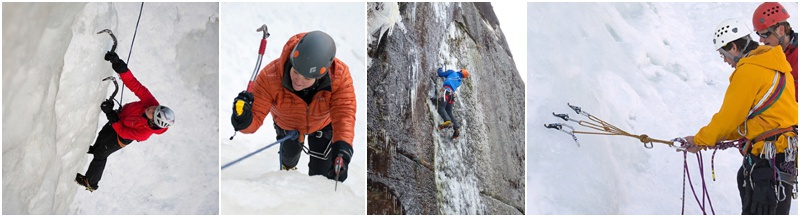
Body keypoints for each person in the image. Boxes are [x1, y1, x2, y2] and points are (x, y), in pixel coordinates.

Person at [681, 18, 797, 215]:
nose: (726, 61)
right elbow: (762, 118)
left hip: (766, 155)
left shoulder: (749, 70)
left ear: (734, 47)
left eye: (723, 55)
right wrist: (714, 138)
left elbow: (728, 118)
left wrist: (701, 139)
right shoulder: (777, 64)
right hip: (784, 153)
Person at [231, 31, 356, 182]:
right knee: (289, 158)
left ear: (321, 76)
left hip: (322, 125)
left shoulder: (339, 77)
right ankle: (288, 170)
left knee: (322, 176)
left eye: (307, 77)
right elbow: (254, 119)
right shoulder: (270, 77)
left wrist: (343, 149)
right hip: (287, 124)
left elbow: (344, 114)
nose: (298, 80)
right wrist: (243, 119)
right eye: (295, 71)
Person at [75, 51, 175, 192]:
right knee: (103, 134)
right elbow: (136, 86)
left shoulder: (144, 134)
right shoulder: (151, 104)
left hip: (121, 136)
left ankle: (90, 183)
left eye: (154, 111)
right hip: (120, 117)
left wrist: (110, 114)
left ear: (154, 121)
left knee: (101, 155)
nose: (152, 107)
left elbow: (122, 131)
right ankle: (94, 148)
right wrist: (120, 66)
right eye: (156, 107)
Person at [752, 2, 797, 100]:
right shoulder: (768, 56)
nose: (761, 40)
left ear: (781, 30)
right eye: (759, 35)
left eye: (764, 35)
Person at [432, 68, 469, 140]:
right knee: (449, 112)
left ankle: (447, 121)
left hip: (446, 91)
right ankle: (456, 128)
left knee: (440, 107)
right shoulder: (459, 81)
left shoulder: (452, 72)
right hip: (451, 95)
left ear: (460, 71)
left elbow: (441, 74)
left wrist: (440, 69)